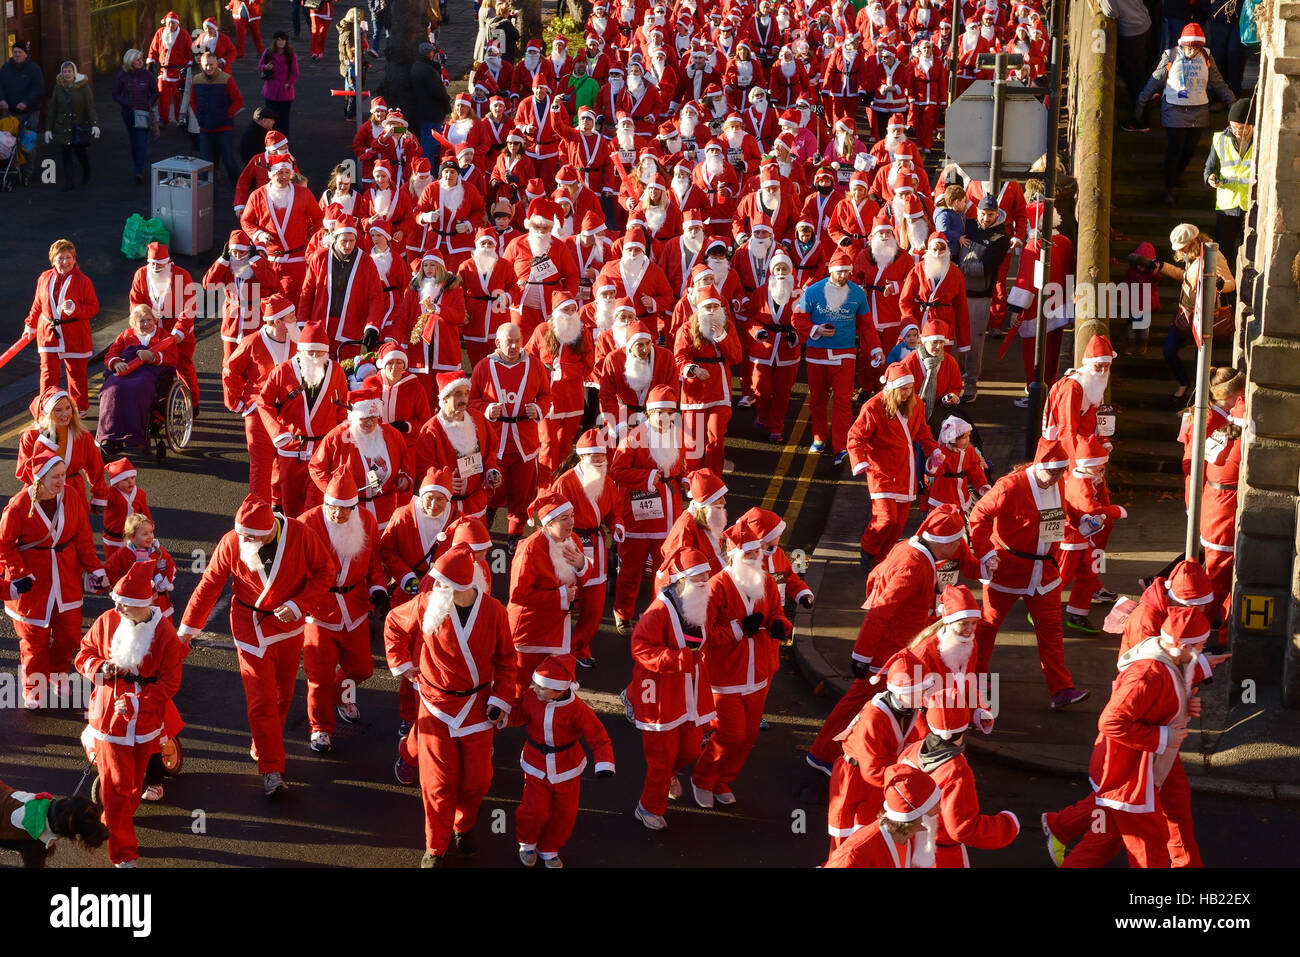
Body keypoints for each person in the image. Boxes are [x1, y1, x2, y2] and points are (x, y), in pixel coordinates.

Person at [178, 495, 336, 796]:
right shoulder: (232, 541)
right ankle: (272, 768)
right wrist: (186, 631)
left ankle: (263, 744)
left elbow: (325, 572)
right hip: (249, 625)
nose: (243, 540)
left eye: (250, 536)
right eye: (241, 533)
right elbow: (209, 584)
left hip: (289, 625)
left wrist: (299, 604)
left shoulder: (301, 534)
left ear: (269, 531)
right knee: (261, 699)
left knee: (282, 695)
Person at [384, 544, 517, 867]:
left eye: (442, 582)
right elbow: (394, 623)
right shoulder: (428, 604)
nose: (436, 587)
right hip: (436, 705)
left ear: (462, 586)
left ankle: (463, 826)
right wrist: (401, 663)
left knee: (478, 780)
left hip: (477, 705)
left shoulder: (494, 611)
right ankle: (436, 846)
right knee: (438, 784)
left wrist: (501, 698)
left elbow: (507, 660)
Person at [75, 561, 186, 867]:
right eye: (117, 603)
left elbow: (170, 682)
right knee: (119, 790)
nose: (118, 609)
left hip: (146, 723)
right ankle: (124, 854)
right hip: (108, 721)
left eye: (125, 605)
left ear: (144, 604)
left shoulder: (164, 633)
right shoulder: (107, 620)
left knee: (133, 788)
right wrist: (100, 667)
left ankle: (110, 822)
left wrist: (141, 703)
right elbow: (83, 655)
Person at [968, 439, 1091, 710]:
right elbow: (978, 516)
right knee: (988, 625)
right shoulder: (1009, 486)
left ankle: (1061, 689)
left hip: (1044, 572)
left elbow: (1064, 511)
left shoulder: (1056, 481)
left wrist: (1081, 520)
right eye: (1054, 471)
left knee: (1051, 631)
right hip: (1007, 569)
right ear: (1039, 465)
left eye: (1062, 471)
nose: (1059, 477)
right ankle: (975, 677)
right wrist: (986, 552)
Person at [692, 518, 791, 807]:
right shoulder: (715, 587)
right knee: (730, 734)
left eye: (756, 553)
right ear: (731, 554)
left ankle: (723, 779)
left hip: (759, 672)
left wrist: (779, 626)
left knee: (747, 737)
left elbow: (777, 611)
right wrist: (739, 628)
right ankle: (703, 777)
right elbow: (705, 634)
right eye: (748, 554)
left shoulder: (767, 581)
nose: (754, 558)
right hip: (725, 676)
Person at [0, 450, 106, 709]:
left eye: (63, 475)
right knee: (34, 641)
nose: (62, 481)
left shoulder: (70, 495)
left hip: (66, 577)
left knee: (69, 635)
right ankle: (33, 687)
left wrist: (94, 568)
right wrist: (18, 574)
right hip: (33, 585)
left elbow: (82, 535)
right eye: (55, 477)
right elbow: (4, 546)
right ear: (39, 478)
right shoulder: (18, 505)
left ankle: (58, 674)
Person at [299, 471, 385, 753]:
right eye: (332, 506)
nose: (337, 513)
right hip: (318, 608)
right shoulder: (307, 523)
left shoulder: (368, 521)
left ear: (355, 507)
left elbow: (374, 562)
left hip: (355, 605)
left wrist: (378, 588)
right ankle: (320, 727)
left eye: (344, 508)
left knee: (362, 667)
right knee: (318, 676)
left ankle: (339, 695)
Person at [897, 687, 1020, 867]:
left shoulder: (911, 751)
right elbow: (962, 828)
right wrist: (1007, 824)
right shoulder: (956, 771)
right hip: (942, 855)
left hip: (909, 848)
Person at [514, 653, 615, 868]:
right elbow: (516, 715)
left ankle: (550, 848)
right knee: (533, 810)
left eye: (542, 687)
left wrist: (604, 763)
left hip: (568, 766)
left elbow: (598, 736)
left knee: (565, 814)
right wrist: (498, 716)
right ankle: (527, 842)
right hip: (535, 764)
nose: (535, 690)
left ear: (560, 690)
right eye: (535, 685)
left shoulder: (578, 710)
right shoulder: (531, 697)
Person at [848, 363, 943, 570]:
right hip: (880, 471)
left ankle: (882, 558)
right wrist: (860, 461)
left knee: (898, 524)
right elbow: (855, 436)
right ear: (891, 388)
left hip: (904, 471)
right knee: (886, 519)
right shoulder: (873, 407)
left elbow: (922, 433)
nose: (908, 393)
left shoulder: (916, 403)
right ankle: (868, 549)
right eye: (903, 389)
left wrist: (933, 450)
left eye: (910, 389)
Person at [608, 385, 687, 631]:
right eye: (659, 412)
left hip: (668, 515)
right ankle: (623, 613)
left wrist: (684, 478)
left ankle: (655, 616)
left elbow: (680, 465)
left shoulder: (677, 435)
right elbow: (616, 471)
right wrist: (647, 476)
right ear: (649, 413)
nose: (664, 418)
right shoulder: (634, 438)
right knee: (631, 571)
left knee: (663, 572)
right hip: (639, 517)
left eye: (669, 412)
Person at [1130, 23, 1234, 206]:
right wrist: (1141, 102)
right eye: (1189, 47)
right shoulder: (1170, 55)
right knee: (1175, 148)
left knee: (1190, 149)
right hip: (1174, 109)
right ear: (1183, 45)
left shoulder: (1206, 56)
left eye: (1196, 48)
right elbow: (1155, 80)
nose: (1192, 51)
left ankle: (1176, 174)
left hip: (1199, 110)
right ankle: (1168, 190)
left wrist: (1232, 103)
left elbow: (1218, 82)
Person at [794, 250, 880, 466]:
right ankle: (819, 436)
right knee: (817, 399)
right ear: (831, 270)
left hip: (845, 354)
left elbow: (867, 326)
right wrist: (815, 329)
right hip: (817, 355)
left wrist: (875, 349)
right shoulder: (813, 291)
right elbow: (797, 319)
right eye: (839, 272)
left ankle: (841, 446)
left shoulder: (858, 294)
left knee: (843, 401)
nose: (842, 276)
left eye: (846, 272)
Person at [469, 323, 549, 549]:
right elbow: (472, 398)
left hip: (525, 441)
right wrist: (486, 409)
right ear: (498, 343)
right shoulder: (484, 367)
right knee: (493, 488)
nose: (514, 346)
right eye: (508, 341)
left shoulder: (534, 365)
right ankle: (489, 517)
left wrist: (539, 408)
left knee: (521, 493)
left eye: (517, 340)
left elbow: (546, 395)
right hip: (496, 443)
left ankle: (515, 534)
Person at [258, 322, 350, 517]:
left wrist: (341, 442)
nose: (315, 357)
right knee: (290, 504)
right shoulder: (282, 371)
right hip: (291, 448)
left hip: (322, 450)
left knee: (314, 507)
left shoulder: (337, 371)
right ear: (300, 351)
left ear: (326, 352)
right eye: (310, 352)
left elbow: (342, 411)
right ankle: (292, 541)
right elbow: (263, 402)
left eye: (319, 353)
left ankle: (308, 541)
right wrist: (277, 432)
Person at [1150, 224, 1236, 403]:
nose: (1179, 251)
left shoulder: (1213, 255)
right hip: (1186, 314)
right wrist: (1163, 267)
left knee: (1201, 362)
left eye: (1181, 247)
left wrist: (1219, 285)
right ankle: (1184, 383)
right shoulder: (1191, 256)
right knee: (1169, 351)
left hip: (1204, 316)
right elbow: (1187, 277)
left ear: (1191, 243)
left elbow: (1231, 283)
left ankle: (1199, 398)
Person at [414, 372, 503, 522]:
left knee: (476, 544)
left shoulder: (478, 419)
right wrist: (442, 481)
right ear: (444, 399)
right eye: (457, 394)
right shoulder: (431, 430)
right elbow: (424, 468)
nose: (464, 400)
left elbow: (491, 451)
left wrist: (492, 471)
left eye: (466, 393)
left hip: (476, 503)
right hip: (445, 507)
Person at [25, 239, 99, 413]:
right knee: (48, 374)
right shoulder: (44, 277)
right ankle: (46, 410)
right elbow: (37, 304)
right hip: (48, 333)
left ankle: (79, 408)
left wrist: (75, 309)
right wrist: (30, 325)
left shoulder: (83, 281)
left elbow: (93, 307)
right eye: (60, 258)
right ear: (53, 260)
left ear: (74, 259)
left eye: (69, 257)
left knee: (76, 374)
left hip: (74, 333)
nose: (65, 262)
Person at [824, 762, 943, 868]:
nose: (938, 809)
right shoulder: (855, 855)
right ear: (912, 815)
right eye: (931, 805)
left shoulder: (908, 837)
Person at [97, 305, 178, 454]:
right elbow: (110, 354)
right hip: (125, 370)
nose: (146, 324)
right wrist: (116, 363)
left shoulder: (163, 335)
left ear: (154, 320)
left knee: (138, 389)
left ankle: (135, 437)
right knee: (111, 390)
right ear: (133, 323)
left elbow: (172, 358)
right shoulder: (125, 335)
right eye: (142, 321)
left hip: (148, 372)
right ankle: (109, 436)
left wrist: (153, 357)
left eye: (149, 320)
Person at [127, 242, 199, 408]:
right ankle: (155, 403)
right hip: (152, 328)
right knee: (152, 366)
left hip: (178, 327)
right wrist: (141, 324)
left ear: (168, 262)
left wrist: (179, 332)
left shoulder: (182, 275)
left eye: (159, 264)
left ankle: (193, 403)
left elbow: (189, 307)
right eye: (152, 263)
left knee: (184, 367)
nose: (155, 268)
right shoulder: (141, 275)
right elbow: (135, 303)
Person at [956, 195, 1013, 403]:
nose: (986, 218)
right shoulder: (967, 224)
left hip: (980, 297)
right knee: (952, 341)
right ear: (977, 211)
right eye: (983, 213)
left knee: (973, 343)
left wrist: (957, 269)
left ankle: (970, 384)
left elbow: (984, 268)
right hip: (957, 293)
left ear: (997, 214)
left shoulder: (1001, 238)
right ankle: (951, 384)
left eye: (990, 215)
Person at [16, 387, 107, 509]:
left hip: (73, 492)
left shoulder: (82, 436)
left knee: (77, 527)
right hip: (41, 495)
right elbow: (23, 472)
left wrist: (100, 495)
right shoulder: (31, 437)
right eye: (58, 410)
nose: (65, 414)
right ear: (46, 413)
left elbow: (95, 468)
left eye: (68, 408)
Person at [1203, 97, 1253, 271]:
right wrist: (1210, 178)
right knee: (1223, 253)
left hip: (1251, 206)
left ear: (1251, 125)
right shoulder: (1219, 139)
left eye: (1242, 128)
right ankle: (1225, 294)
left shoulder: (1260, 142)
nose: (1237, 132)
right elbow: (1209, 168)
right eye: (1233, 127)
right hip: (1227, 206)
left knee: (1250, 253)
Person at [189, 51, 244, 188]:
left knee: (229, 161)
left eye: (212, 65)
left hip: (223, 128)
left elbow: (238, 101)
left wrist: (226, 116)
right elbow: (193, 100)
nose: (209, 68)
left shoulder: (226, 79)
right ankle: (207, 197)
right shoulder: (196, 80)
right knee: (205, 165)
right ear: (201, 65)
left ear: (217, 64)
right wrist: (199, 116)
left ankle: (241, 189)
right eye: (206, 65)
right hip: (205, 128)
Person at [44, 61, 98, 191]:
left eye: (69, 71)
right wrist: (48, 129)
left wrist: (94, 124)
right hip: (63, 127)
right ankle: (69, 181)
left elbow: (90, 107)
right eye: (65, 71)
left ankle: (86, 170)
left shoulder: (83, 87)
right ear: (61, 73)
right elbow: (53, 109)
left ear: (74, 73)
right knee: (65, 154)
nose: (67, 74)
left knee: (80, 152)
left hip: (78, 125)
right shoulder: (58, 87)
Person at [111, 49, 158, 185]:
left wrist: (148, 104)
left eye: (141, 59)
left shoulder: (147, 75)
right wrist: (128, 103)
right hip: (129, 114)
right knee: (133, 142)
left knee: (141, 142)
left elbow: (155, 92)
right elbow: (115, 94)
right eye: (137, 60)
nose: (140, 62)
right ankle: (138, 164)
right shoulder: (122, 76)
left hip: (143, 114)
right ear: (130, 61)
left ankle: (138, 170)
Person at [146, 13, 191, 127]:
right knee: (162, 96)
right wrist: (150, 62)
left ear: (177, 23)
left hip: (178, 71)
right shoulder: (160, 32)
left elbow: (190, 51)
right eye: (168, 23)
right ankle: (163, 119)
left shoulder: (184, 34)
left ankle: (179, 118)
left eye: (173, 23)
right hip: (163, 71)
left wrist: (189, 65)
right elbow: (153, 48)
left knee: (178, 97)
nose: (170, 25)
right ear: (165, 23)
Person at [410, 42, 453, 162]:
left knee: (426, 137)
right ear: (430, 53)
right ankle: (428, 164)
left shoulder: (417, 67)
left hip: (423, 108)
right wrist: (446, 98)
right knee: (432, 138)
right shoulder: (429, 70)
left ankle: (426, 162)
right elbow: (437, 91)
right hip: (432, 110)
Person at [0, 40, 45, 136]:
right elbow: (0, 86)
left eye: (20, 52)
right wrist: (2, 99)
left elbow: (38, 89)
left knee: (27, 143)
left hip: (30, 112)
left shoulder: (34, 69)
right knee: (10, 142)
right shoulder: (5, 68)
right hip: (11, 112)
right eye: (15, 52)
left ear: (25, 54)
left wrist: (26, 102)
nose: (17, 54)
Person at [258, 32, 298, 137]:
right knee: (270, 119)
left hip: (285, 92)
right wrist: (265, 67)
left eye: (283, 40)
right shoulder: (268, 52)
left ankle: (284, 140)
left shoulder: (290, 55)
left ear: (286, 41)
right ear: (275, 41)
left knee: (284, 120)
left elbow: (295, 73)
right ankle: (271, 139)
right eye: (279, 40)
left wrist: (289, 83)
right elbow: (260, 65)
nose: (281, 42)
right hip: (271, 91)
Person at [336, 6, 368, 120]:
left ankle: (349, 112)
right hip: (351, 64)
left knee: (349, 89)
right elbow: (351, 50)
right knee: (353, 89)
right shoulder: (350, 32)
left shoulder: (345, 28)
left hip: (346, 64)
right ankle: (350, 113)